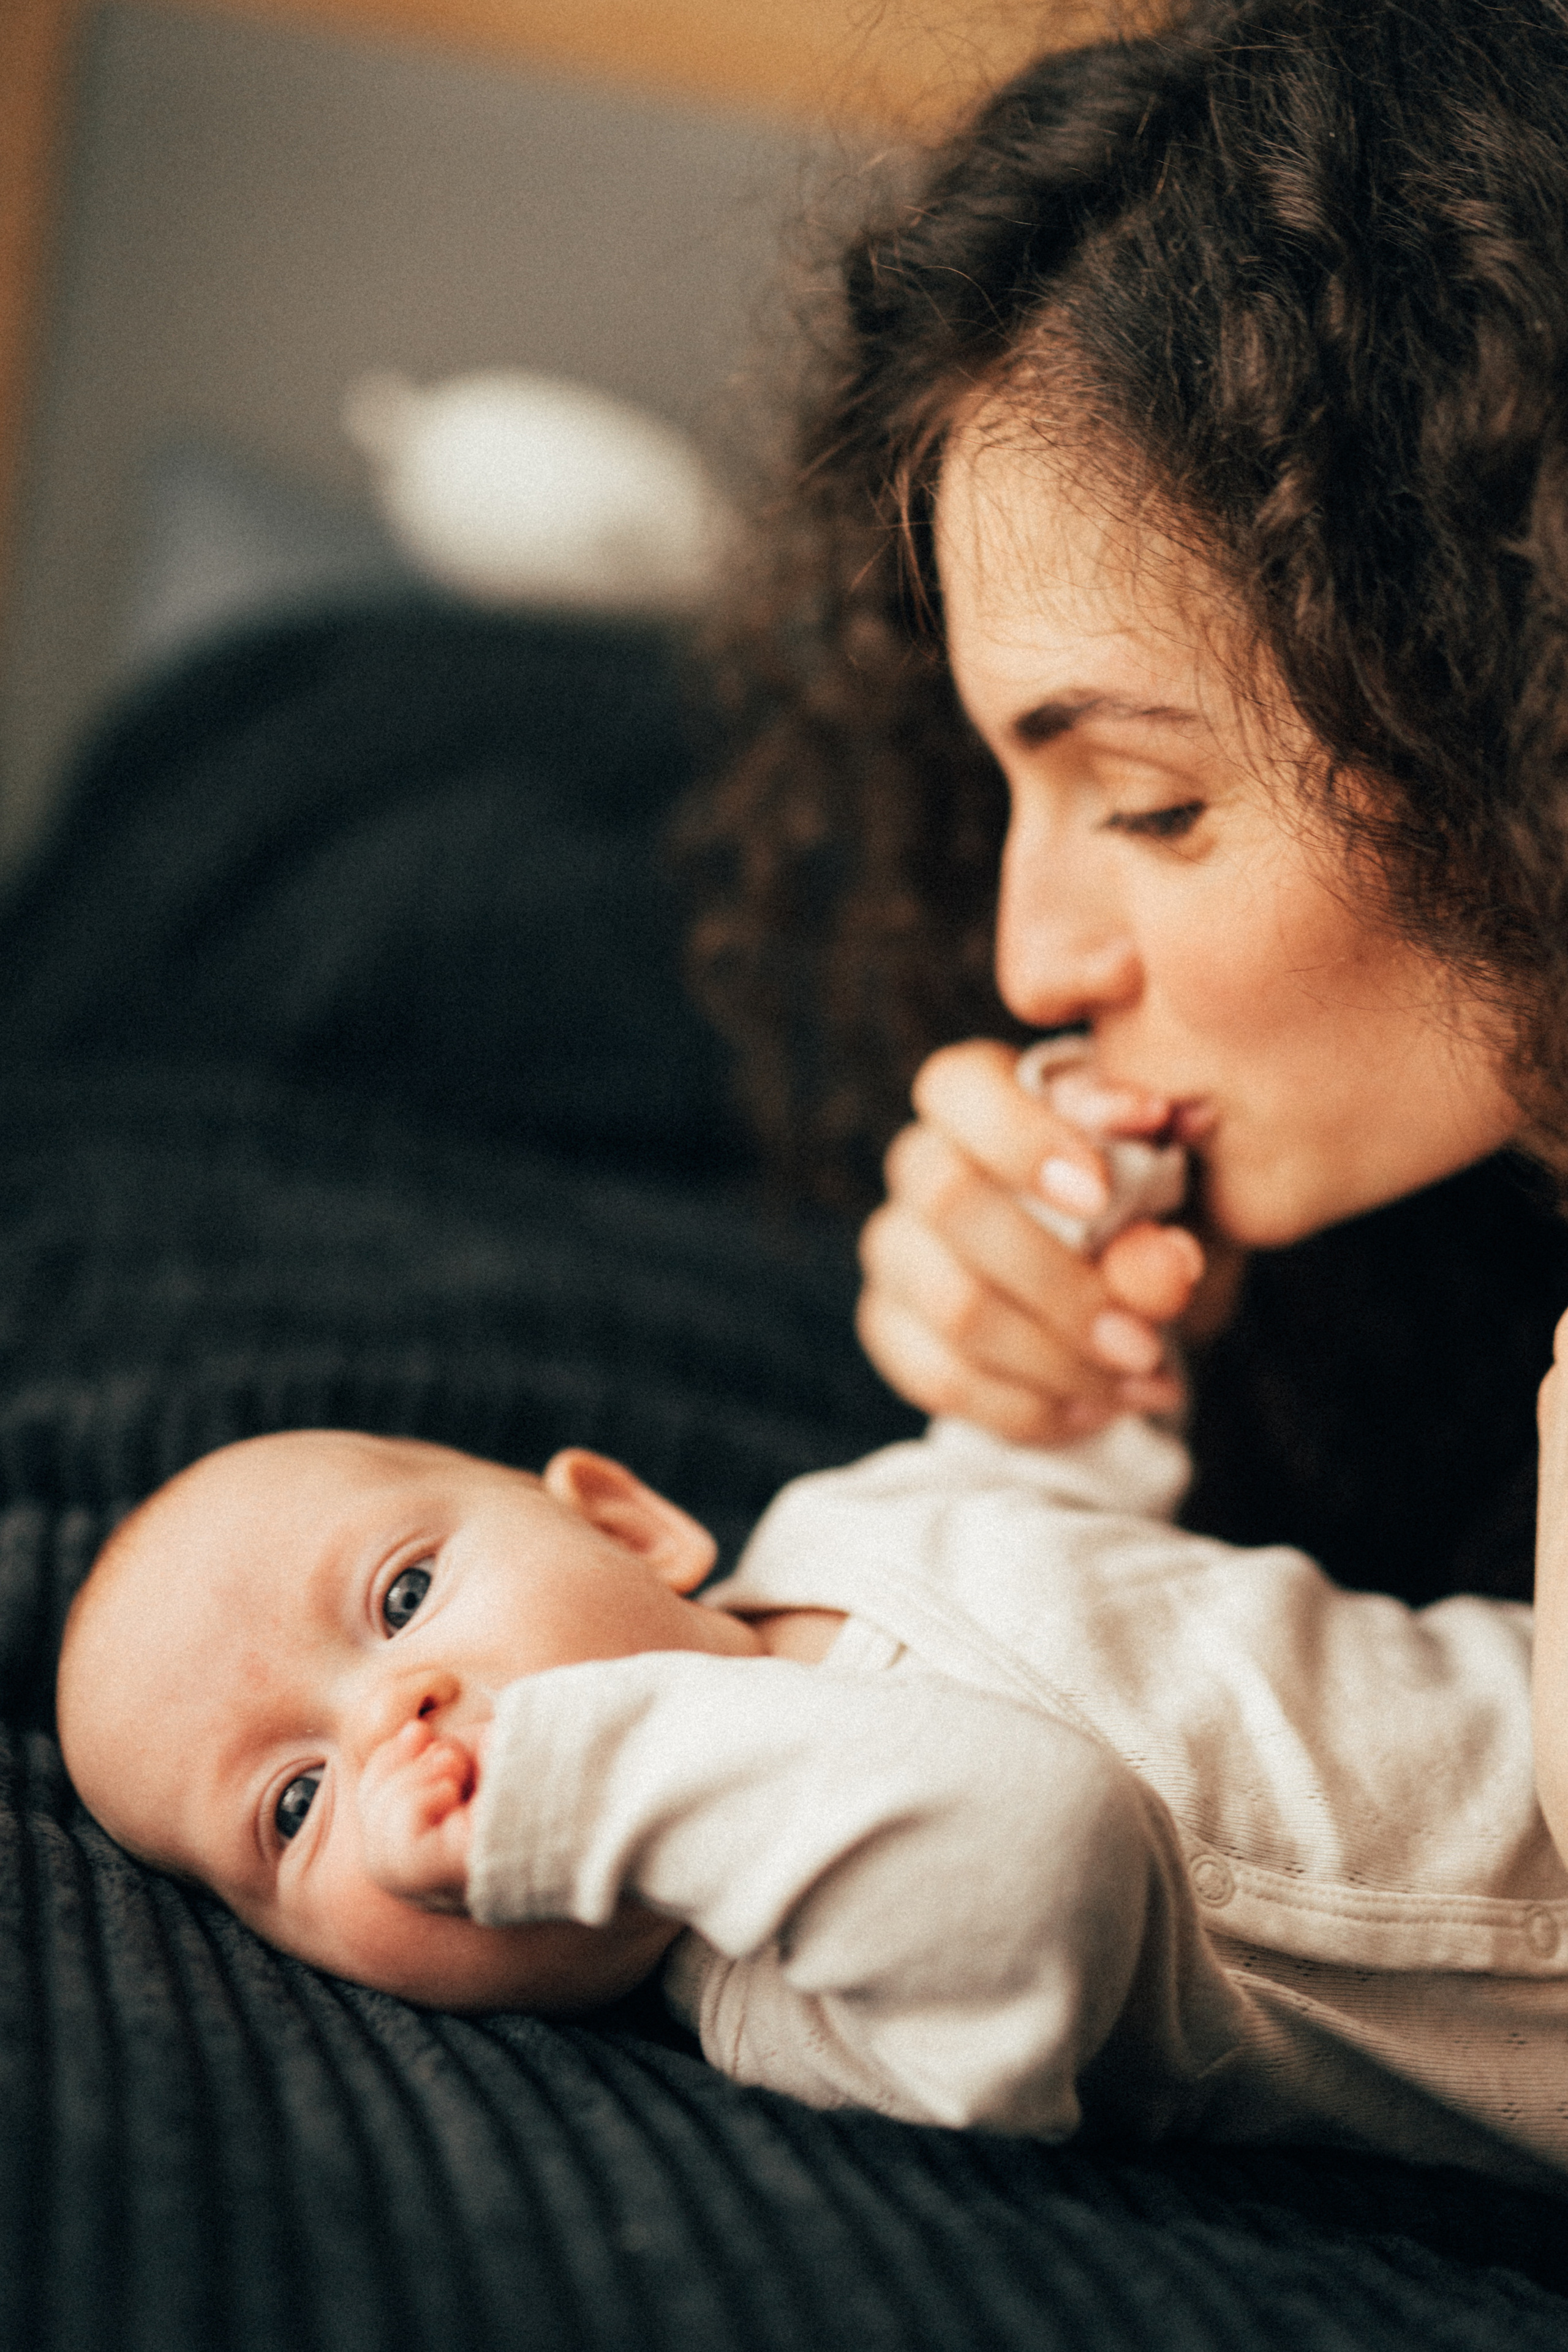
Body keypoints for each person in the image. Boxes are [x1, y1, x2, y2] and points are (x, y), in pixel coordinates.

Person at [684, 0, 1568, 1618]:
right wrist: (1117, 1389)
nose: (1032, 969)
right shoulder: (1415, 1265)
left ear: (1500, 696)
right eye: (1009, 787)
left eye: (1153, 806)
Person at [53, 1330, 1568, 2190]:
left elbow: (1078, 1437)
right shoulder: (789, 1993)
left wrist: (1089, 1217)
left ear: (629, 1523)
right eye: (297, 1805)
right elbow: (1045, 1840)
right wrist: (562, 1790)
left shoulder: (858, 1514)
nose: (399, 1718)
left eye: (400, 1599)